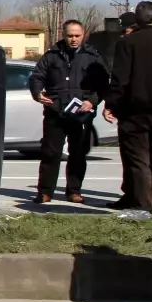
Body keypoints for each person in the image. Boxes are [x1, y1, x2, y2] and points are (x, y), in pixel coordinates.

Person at [29, 19, 110, 204]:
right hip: (55, 110)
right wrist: (37, 92)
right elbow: (37, 77)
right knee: (50, 153)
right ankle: (45, 191)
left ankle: (74, 190)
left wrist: (92, 101)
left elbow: (103, 84)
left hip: (81, 113)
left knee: (78, 153)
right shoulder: (51, 55)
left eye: (77, 35)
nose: (74, 39)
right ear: (63, 35)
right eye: (70, 35)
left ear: (83, 35)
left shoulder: (93, 57)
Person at [104, 1, 152, 211]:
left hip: (134, 110)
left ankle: (144, 205)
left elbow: (120, 79)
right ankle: (137, 199)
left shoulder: (128, 43)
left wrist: (111, 104)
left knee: (137, 159)